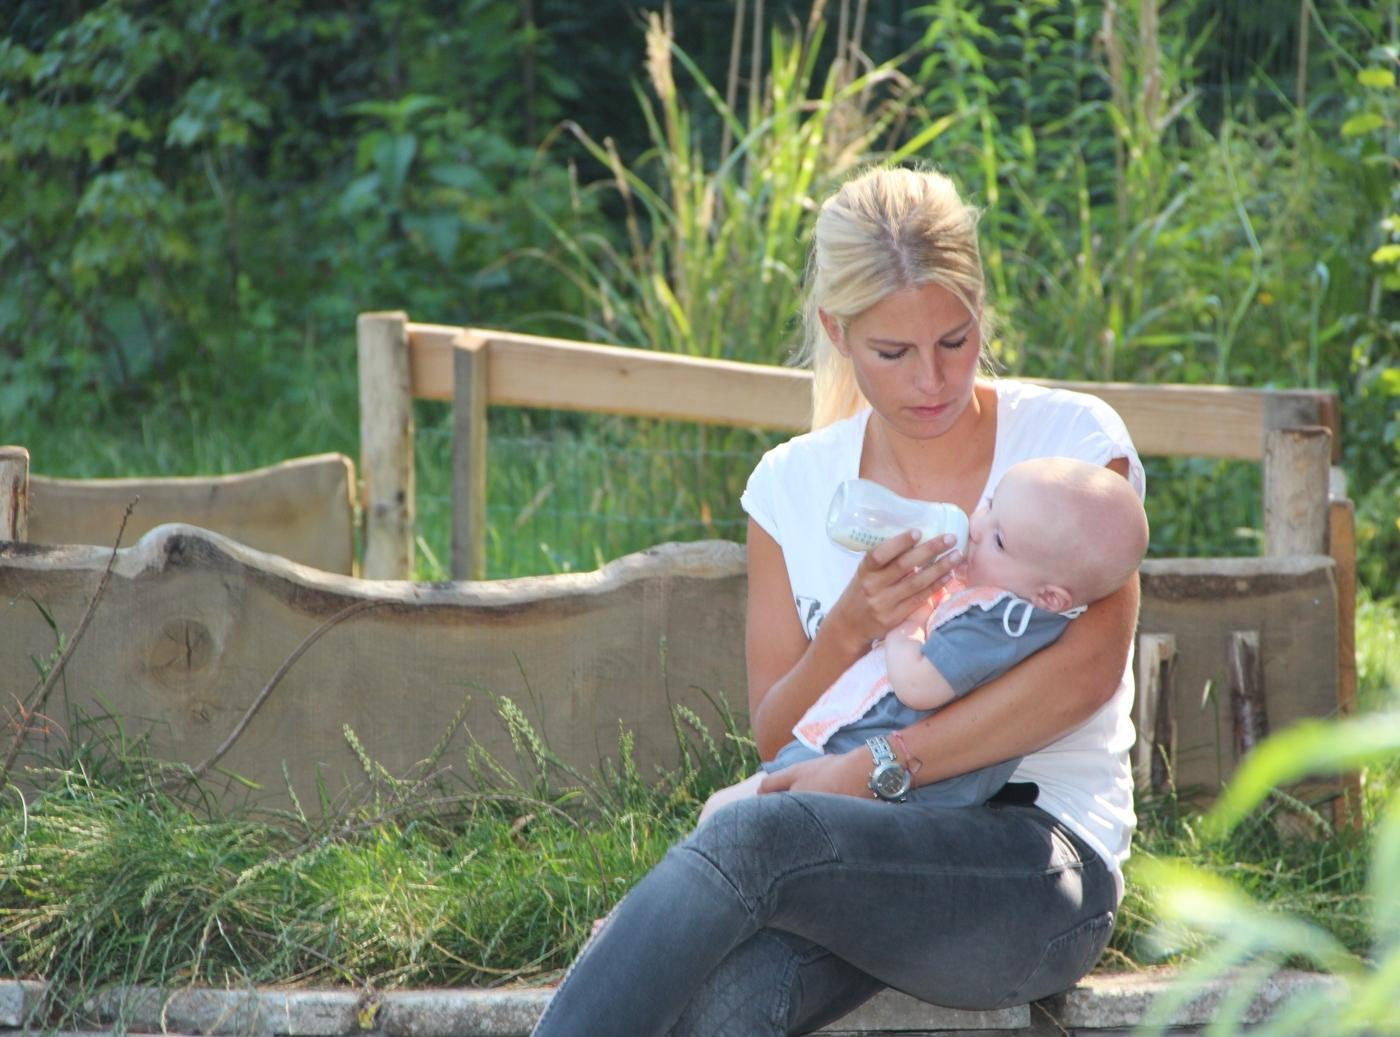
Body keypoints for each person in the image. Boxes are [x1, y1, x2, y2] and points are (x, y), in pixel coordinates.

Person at [530, 164, 1145, 1036]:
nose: (931, 379)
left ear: (982, 315)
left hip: (1034, 863)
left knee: (755, 840)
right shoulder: (790, 486)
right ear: (837, 331)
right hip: (849, 861)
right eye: (892, 353)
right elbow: (780, 736)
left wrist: (874, 769)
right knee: (719, 1013)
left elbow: (1085, 674)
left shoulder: (1071, 448)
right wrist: (854, 625)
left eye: (955, 341)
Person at [697, 455, 1148, 824]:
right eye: (990, 505)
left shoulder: (1000, 624)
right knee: (725, 817)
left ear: (1049, 595)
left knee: (725, 818)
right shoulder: (998, 601)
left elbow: (918, 685)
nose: (976, 527)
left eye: (999, 540)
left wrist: (906, 622)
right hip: (857, 764)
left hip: (885, 783)